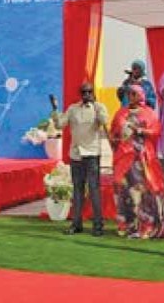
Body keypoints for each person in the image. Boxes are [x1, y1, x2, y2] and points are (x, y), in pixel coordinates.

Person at [110, 85, 164, 239]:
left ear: (141, 95)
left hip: (143, 159)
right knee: (123, 189)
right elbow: (113, 133)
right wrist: (116, 140)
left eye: (134, 93)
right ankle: (129, 226)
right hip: (124, 159)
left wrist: (140, 131)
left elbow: (156, 131)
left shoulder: (149, 113)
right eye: (129, 94)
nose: (131, 96)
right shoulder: (121, 113)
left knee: (144, 192)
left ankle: (147, 226)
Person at [52, 82, 108, 236]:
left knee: (94, 190)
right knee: (77, 190)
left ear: (93, 93)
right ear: (80, 93)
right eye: (84, 92)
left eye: (89, 92)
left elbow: (104, 121)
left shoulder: (99, 107)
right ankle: (76, 224)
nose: (86, 95)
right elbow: (59, 125)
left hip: (92, 154)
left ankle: (98, 225)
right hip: (76, 154)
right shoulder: (73, 109)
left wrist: (95, 106)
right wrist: (55, 109)